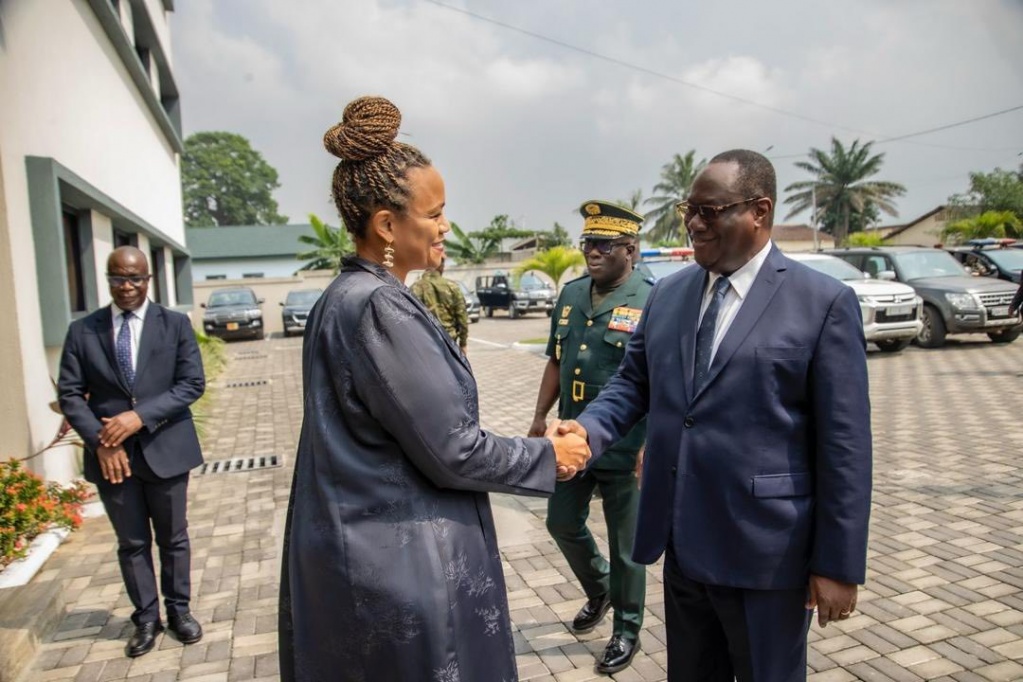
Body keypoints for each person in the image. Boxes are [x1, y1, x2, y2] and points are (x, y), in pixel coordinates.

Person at [277, 96, 590, 682]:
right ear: (388, 225)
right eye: (436, 213)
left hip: (364, 555)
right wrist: (552, 455)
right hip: (402, 568)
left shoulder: (343, 298)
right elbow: (455, 451)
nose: (447, 226)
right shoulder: (378, 308)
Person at [559, 149, 873, 681]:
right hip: (682, 543)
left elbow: (844, 446)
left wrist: (838, 564)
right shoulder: (671, 295)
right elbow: (634, 383)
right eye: (690, 209)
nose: (694, 223)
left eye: (711, 210)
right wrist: (587, 430)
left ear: (760, 211)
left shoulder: (822, 303)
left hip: (766, 554)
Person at [58, 247, 205, 658]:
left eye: (135, 278)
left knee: (174, 539)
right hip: (113, 460)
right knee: (132, 542)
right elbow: (69, 394)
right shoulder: (82, 331)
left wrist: (138, 418)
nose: (126, 286)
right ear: (107, 280)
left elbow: (191, 383)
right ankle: (145, 619)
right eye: (118, 278)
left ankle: (179, 611)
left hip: (166, 448)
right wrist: (102, 441)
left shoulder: (174, 325)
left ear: (147, 280)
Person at [528, 200, 653, 674]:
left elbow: (657, 379)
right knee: (560, 521)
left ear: (630, 249)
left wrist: (650, 441)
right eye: (587, 244)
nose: (592, 253)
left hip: (626, 444)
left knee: (627, 547)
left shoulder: (651, 298)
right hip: (571, 438)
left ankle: (626, 628)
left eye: (604, 245)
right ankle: (600, 588)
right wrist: (540, 415)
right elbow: (558, 359)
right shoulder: (572, 294)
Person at [410, 257, 469, 354]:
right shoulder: (452, 286)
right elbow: (462, 317)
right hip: (449, 340)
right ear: (442, 267)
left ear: (426, 266)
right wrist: (463, 343)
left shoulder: (414, 288)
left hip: (424, 342)